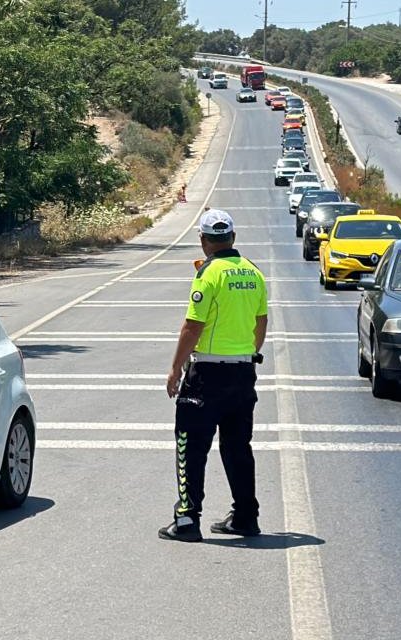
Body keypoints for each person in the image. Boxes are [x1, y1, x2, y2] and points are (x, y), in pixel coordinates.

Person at [159, 209, 268, 542]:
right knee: (237, 447)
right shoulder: (253, 273)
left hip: (206, 373)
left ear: (204, 241)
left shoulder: (209, 275)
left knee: (190, 446)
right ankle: (246, 517)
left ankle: (188, 520)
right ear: (232, 238)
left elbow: (193, 326)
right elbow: (261, 323)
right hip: (242, 371)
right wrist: (245, 354)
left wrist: (176, 368)